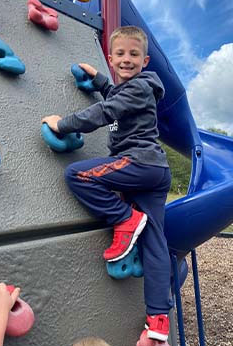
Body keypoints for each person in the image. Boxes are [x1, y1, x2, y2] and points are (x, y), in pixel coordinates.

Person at [42, 25, 172, 342]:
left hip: (139, 163)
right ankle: (158, 321)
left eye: (134, 54)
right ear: (112, 58)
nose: (126, 59)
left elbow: (106, 111)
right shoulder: (130, 89)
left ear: (146, 60)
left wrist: (63, 123)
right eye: (120, 54)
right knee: (155, 245)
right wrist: (99, 78)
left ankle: (125, 219)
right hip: (154, 172)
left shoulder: (140, 88)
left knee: (78, 175)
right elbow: (113, 95)